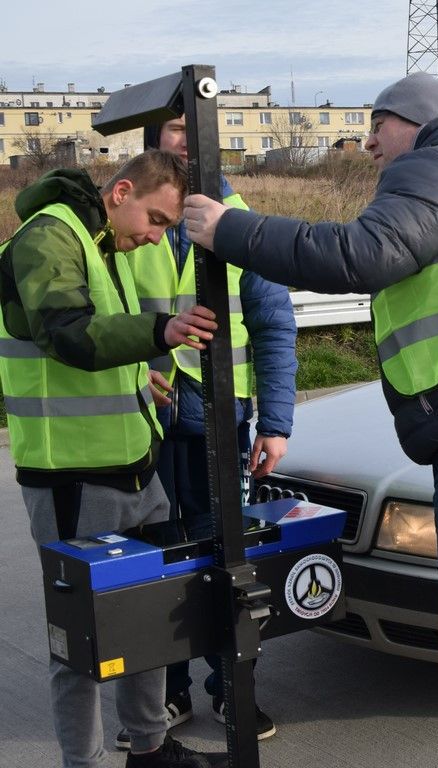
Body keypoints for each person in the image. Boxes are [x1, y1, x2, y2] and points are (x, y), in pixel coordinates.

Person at [183, 72, 438, 767]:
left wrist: (229, 229)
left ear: (416, 123)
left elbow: (362, 254)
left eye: (378, 126)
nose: (367, 145)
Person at [0, 151, 224, 767]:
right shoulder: (49, 237)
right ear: (121, 191)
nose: (154, 237)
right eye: (153, 219)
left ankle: (149, 749)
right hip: (71, 477)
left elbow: (104, 342)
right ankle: (84, 762)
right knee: (80, 643)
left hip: (134, 468)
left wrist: (140, 380)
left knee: (146, 619)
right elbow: (68, 333)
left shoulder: (104, 242)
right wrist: (160, 333)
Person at [113, 113, 296, 749]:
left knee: (227, 554)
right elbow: (110, 320)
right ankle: (167, 695)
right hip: (152, 420)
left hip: (227, 416)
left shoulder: (244, 222)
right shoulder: (129, 220)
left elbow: (273, 325)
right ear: (152, 142)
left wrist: (275, 423)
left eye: (200, 125)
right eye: (174, 126)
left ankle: (231, 691)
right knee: (158, 558)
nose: (188, 137)